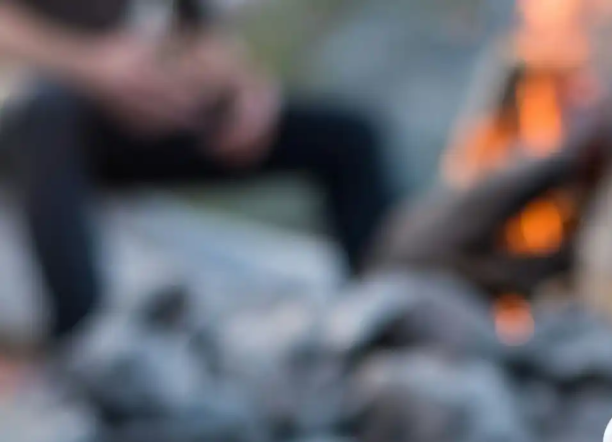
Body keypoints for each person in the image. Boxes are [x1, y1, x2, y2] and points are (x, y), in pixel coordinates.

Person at [0, 0, 393, 342]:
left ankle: (391, 325)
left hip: (129, 116)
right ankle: (84, 346)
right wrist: (92, 65)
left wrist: (244, 91)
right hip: (30, 121)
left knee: (349, 137)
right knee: (44, 114)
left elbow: (197, 32)